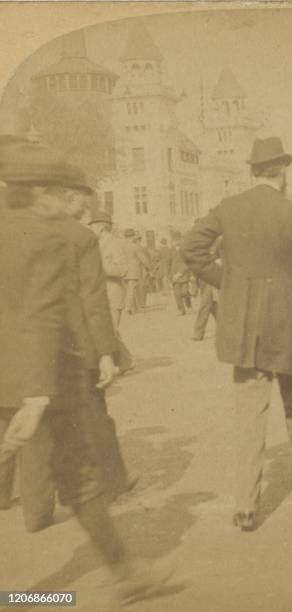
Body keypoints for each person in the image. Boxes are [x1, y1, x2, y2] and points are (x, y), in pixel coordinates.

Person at [0, 138, 172, 603]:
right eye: (58, 190)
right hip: (47, 383)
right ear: (40, 192)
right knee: (80, 482)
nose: (63, 200)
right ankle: (123, 574)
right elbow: (42, 315)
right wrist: (37, 395)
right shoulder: (49, 237)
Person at [184, 136, 292, 532]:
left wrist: (226, 281)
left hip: (244, 324)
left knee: (249, 414)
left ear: (251, 170)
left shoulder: (228, 208)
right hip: (289, 322)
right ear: (282, 172)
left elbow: (192, 248)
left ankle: (246, 504)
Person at [88, 210, 135, 373]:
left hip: (113, 293)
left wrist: (101, 267)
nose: (90, 230)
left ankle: (125, 361)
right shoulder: (97, 244)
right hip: (101, 294)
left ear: (101, 228)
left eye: (92, 227)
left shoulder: (113, 243)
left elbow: (123, 269)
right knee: (107, 329)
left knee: (111, 330)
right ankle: (126, 361)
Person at [122, 228, 151, 314]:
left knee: (127, 289)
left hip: (123, 270)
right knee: (131, 289)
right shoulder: (135, 246)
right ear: (133, 237)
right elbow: (143, 259)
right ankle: (128, 307)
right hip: (133, 270)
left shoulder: (121, 246)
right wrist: (149, 268)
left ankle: (132, 308)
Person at [170, 239, 193, 316]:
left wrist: (180, 273)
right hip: (174, 276)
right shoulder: (171, 253)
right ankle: (181, 310)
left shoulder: (185, 253)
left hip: (183, 276)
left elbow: (187, 264)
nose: (177, 247)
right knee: (177, 294)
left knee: (184, 292)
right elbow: (168, 263)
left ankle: (188, 299)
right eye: (175, 246)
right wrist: (168, 275)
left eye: (178, 246)